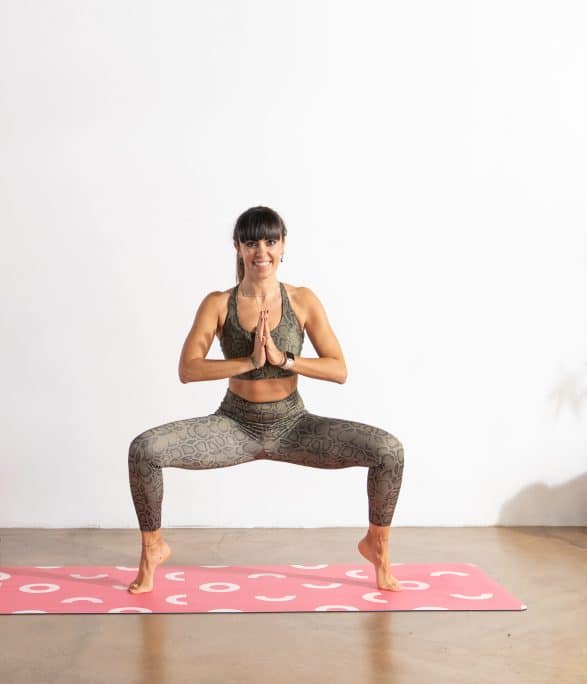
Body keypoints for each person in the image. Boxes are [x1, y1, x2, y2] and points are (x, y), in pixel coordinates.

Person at [127, 206, 404, 594]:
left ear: (283, 245)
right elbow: (188, 369)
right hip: (234, 426)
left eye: (271, 241)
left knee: (388, 451)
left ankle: (377, 544)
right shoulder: (217, 303)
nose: (262, 251)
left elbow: (338, 369)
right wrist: (249, 362)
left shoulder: (303, 300)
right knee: (144, 450)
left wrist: (284, 359)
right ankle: (153, 548)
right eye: (252, 242)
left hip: (294, 426)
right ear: (238, 247)